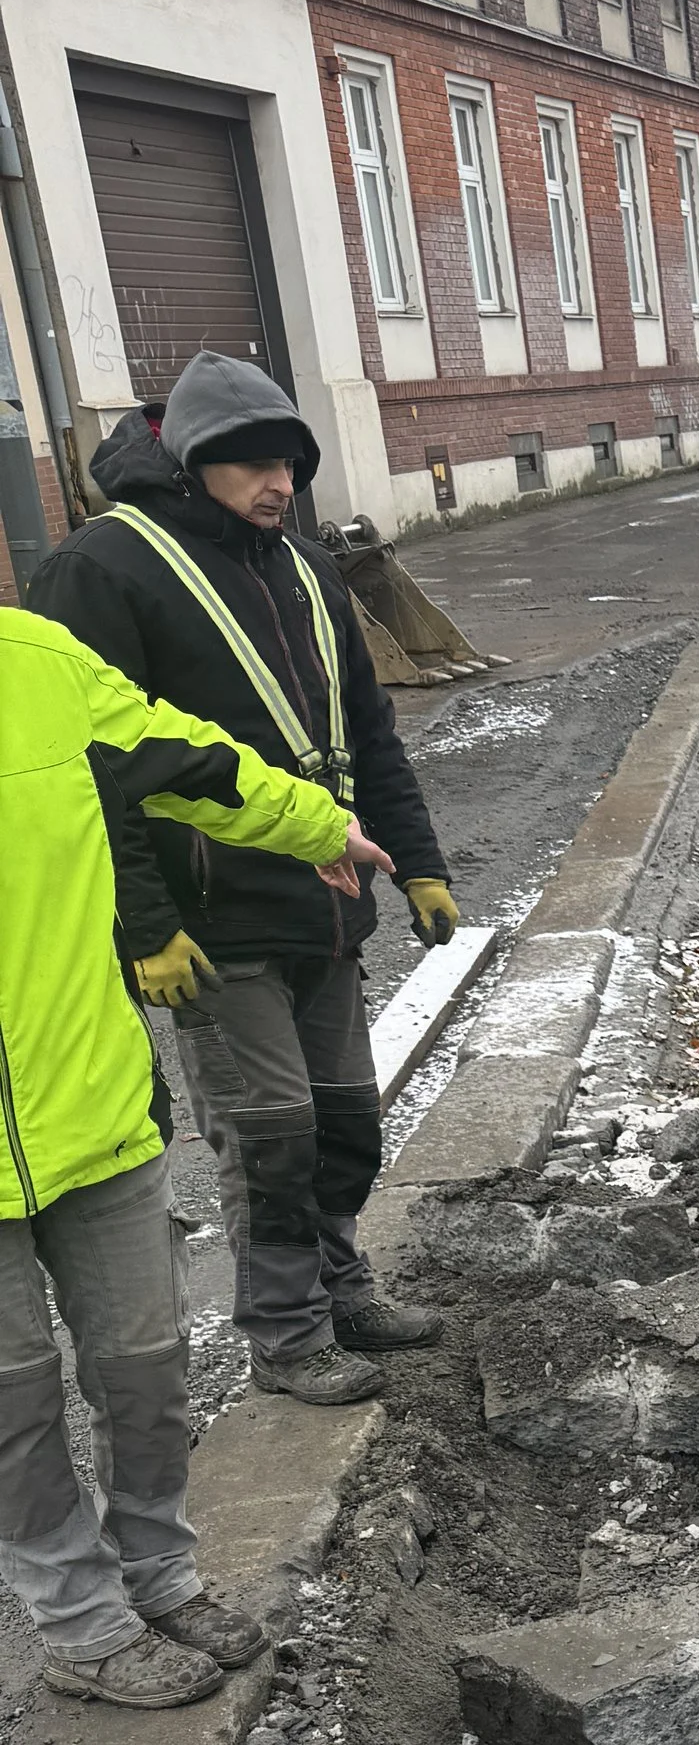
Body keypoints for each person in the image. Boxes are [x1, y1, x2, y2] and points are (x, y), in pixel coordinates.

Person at [26, 352, 463, 1408]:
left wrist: (422, 864)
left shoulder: (302, 566)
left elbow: (366, 736)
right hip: (212, 918)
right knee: (271, 1133)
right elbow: (91, 764)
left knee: (347, 1117)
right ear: (193, 460)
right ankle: (286, 1330)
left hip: (328, 901)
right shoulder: (105, 569)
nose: (279, 484)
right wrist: (146, 922)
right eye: (255, 465)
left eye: (289, 464)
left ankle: (339, 1281)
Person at [0, 603, 386, 1706]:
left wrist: (322, 827)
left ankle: (158, 1578)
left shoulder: (36, 660)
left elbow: (198, 762)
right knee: (15, 1408)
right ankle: (79, 1628)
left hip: (92, 1110)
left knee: (148, 1370)